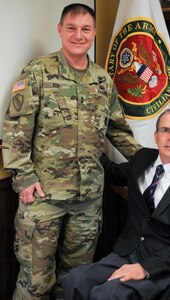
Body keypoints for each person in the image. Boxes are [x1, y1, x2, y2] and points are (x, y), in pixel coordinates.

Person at [2, 3, 141, 299]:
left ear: (94, 33)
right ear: (60, 30)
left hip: (88, 200)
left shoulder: (103, 80)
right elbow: (15, 128)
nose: (79, 35)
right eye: (72, 28)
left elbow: (117, 129)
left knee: (76, 279)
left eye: (85, 29)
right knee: (35, 283)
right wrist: (23, 178)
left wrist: (148, 160)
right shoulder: (39, 72)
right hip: (44, 197)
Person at [62, 107, 170, 300]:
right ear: (156, 136)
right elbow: (111, 172)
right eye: (165, 130)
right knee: (75, 280)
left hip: (165, 263)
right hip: (127, 251)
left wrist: (145, 268)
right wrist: (86, 144)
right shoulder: (142, 159)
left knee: (108, 294)